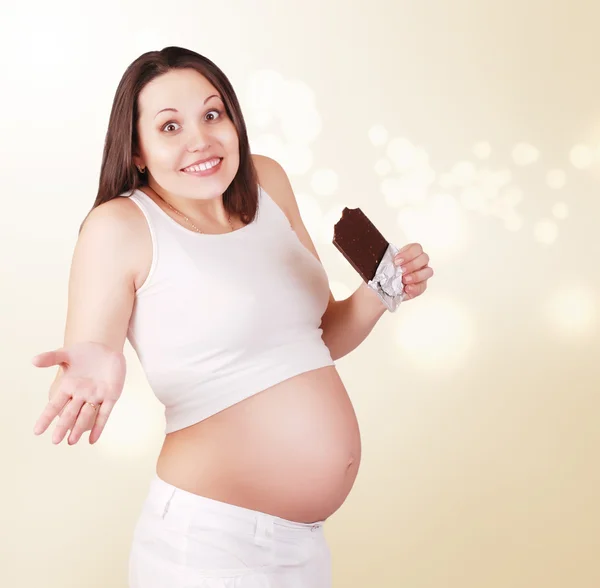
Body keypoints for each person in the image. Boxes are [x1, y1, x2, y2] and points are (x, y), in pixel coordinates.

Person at [31, 46, 434, 587]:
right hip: (209, 547)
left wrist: (381, 291)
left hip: (303, 549)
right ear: (138, 151)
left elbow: (318, 339)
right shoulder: (121, 225)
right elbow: (92, 347)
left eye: (212, 114)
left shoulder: (266, 181)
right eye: (170, 126)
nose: (200, 139)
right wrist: (95, 358)